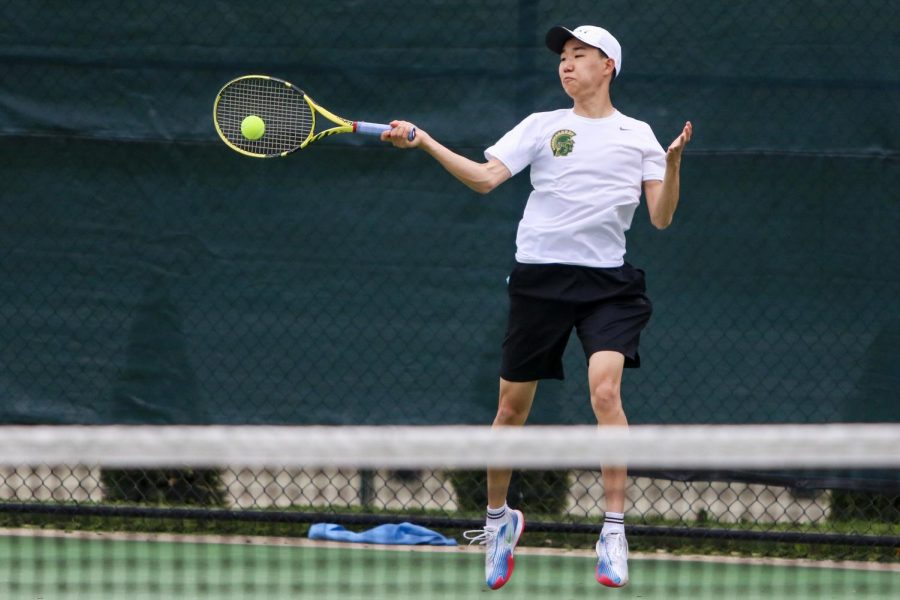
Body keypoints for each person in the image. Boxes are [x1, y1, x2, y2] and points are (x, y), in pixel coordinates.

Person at [382, 24, 692, 590]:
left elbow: (662, 217)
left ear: (609, 66)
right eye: (563, 58)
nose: (567, 66)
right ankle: (499, 521)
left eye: (580, 56)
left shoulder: (639, 136)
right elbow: (484, 179)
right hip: (539, 281)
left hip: (608, 286)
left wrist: (671, 165)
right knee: (510, 412)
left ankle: (614, 531)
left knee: (605, 389)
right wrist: (425, 141)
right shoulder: (542, 127)